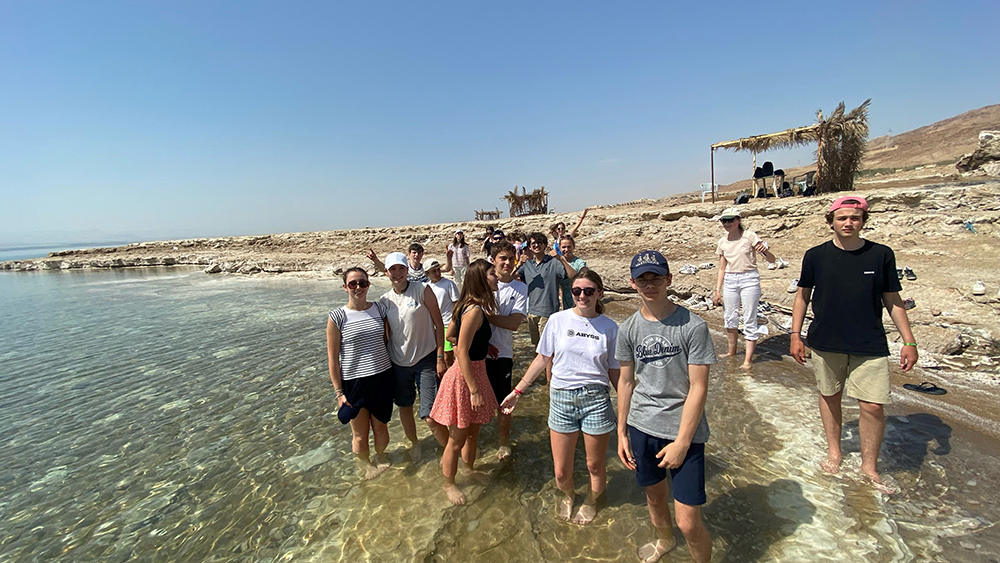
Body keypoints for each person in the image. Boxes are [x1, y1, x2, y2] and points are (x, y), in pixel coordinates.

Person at [790, 196, 917, 494]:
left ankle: (869, 467)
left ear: (863, 221)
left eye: (855, 218)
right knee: (830, 395)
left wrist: (908, 341)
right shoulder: (815, 256)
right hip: (825, 340)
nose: (848, 223)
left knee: (873, 405)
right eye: (842, 218)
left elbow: (893, 300)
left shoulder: (881, 255)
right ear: (831, 221)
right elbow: (802, 296)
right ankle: (835, 452)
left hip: (869, 341)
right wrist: (795, 335)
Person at [616, 250, 716, 563]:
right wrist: (621, 432)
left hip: (684, 433)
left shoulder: (693, 326)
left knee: (688, 521)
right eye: (643, 279)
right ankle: (664, 542)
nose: (650, 284)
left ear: (668, 280)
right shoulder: (628, 329)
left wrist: (682, 442)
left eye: (656, 277)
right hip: (641, 427)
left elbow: (699, 387)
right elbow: (626, 383)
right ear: (632, 284)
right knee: (655, 500)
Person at [502, 268, 620, 525]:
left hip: (596, 399)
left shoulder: (610, 328)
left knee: (595, 466)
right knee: (561, 470)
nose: (582, 296)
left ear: (599, 293)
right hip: (561, 398)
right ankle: (568, 495)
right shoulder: (557, 320)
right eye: (576, 291)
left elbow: (614, 371)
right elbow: (542, 358)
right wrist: (517, 391)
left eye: (589, 291)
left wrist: (630, 406)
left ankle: (590, 501)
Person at [430, 259, 500, 505]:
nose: (497, 276)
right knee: (457, 438)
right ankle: (449, 483)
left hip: (473, 371)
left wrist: (483, 345)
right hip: (466, 376)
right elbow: (459, 351)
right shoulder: (474, 310)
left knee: (472, 432)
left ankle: (469, 470)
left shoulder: (465, 306)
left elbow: (451, 335)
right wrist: (474, 389)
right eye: (492, 273)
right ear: (481, 278)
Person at [377, 252, 450, 460]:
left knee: (430, 415)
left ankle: (449, 450)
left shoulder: (422, 290)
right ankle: (414, 443)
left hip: (426, 360)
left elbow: (439, 324)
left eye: (401, 268)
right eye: (393, 269)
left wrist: (440, 357)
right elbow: (385, 335)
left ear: (407, 270)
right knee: (405, 407)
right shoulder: (384, 301)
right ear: (386, 272)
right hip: (398, 364)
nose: (397, 273)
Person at [326, 267, 394, 480]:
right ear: (345, 287)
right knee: (360, 434)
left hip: (382, 377)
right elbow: (332, 358)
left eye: (362, 283)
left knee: (381, 427)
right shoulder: (337, 316)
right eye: (353, 283)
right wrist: (339, 393)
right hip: (353, 382)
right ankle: (366, 465)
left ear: (368, 285)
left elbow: (387, 340)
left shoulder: (380, 310)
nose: (358, 287)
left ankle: (381, 456)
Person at [711, 207, 776, 370]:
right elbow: (721, 268)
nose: (727, 224)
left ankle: (747, 361)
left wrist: (765, 252)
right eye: (724, 221)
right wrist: (717, 290)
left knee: (749, 317)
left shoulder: (749, 236)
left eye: (730, 220)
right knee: (730, 317)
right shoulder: (722, 241)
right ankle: (731, 352)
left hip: (749, 278)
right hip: (731, 279)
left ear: (738, 220)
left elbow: (771, 260)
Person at [483, 241, 527, 461]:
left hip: (503, 353)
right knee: (477, 399)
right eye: (503, 258)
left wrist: (486, 318)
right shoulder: (483, 284)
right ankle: (476, 442)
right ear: (493, 260)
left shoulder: (520, 288)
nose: (507, 263)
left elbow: (514, 323)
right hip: (479, 353)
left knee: (503, 403)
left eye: (511, 258)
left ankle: (503, 443)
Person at [518, 232, 581, 384]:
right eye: (533, 243)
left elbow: (573, 275)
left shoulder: (553, 263)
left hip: (549, 313)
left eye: (539, 243)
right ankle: (537, 378)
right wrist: (519, 263)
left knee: (548, 352)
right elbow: (509, 278)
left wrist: (560, 258)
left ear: (545, 245)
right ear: (529, 247)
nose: (536, 245)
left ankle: (549, 383)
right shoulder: (527, 265)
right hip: (531, 312)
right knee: (536, 347)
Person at [426, 259, 460, 366]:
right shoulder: (426, 287)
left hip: (447, 324)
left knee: (447, 356)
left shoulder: (449, 284)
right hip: (433, 326)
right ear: (427, 273)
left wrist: (455, 323)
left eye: (438, 269)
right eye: (433, 271)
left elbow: (457, 305)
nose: (437, 273)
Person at [557, 234, 587, 310]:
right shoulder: (556, 263)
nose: (566, 250)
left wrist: (561, 261)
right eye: (563, 247)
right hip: (565, 303)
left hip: (580, 302)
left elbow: (576, 278)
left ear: (574, 247)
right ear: (559, 248)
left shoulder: (579, 263)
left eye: (569, 247)